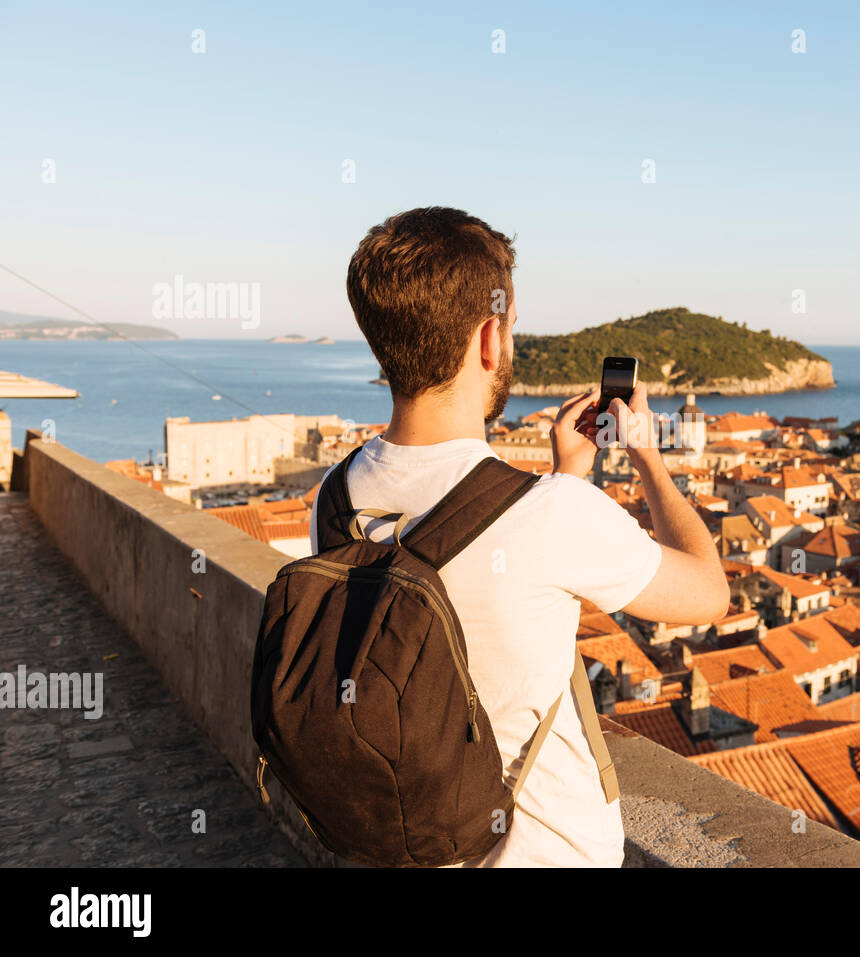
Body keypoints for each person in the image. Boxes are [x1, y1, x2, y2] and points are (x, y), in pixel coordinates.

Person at [309, 206, 730, 867]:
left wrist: (567, 475)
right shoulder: (552, 516)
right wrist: (648, 456)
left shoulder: (334, 499)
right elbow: (710, 592)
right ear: (488, 339)